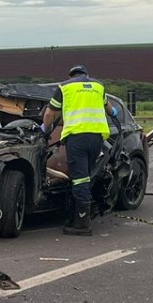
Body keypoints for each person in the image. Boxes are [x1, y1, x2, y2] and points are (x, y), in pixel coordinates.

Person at [42, 64, 114, 235]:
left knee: (79, 179)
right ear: (86, 75)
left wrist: (44, 130)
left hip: (77, 138)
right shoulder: (98, 86)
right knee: (86, 177)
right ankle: (80, 216)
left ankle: (82, 224)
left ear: (70, 75)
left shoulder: (65, 87)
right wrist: (115, 113)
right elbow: (110, 109)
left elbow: (49, 114)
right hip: (96, 138)